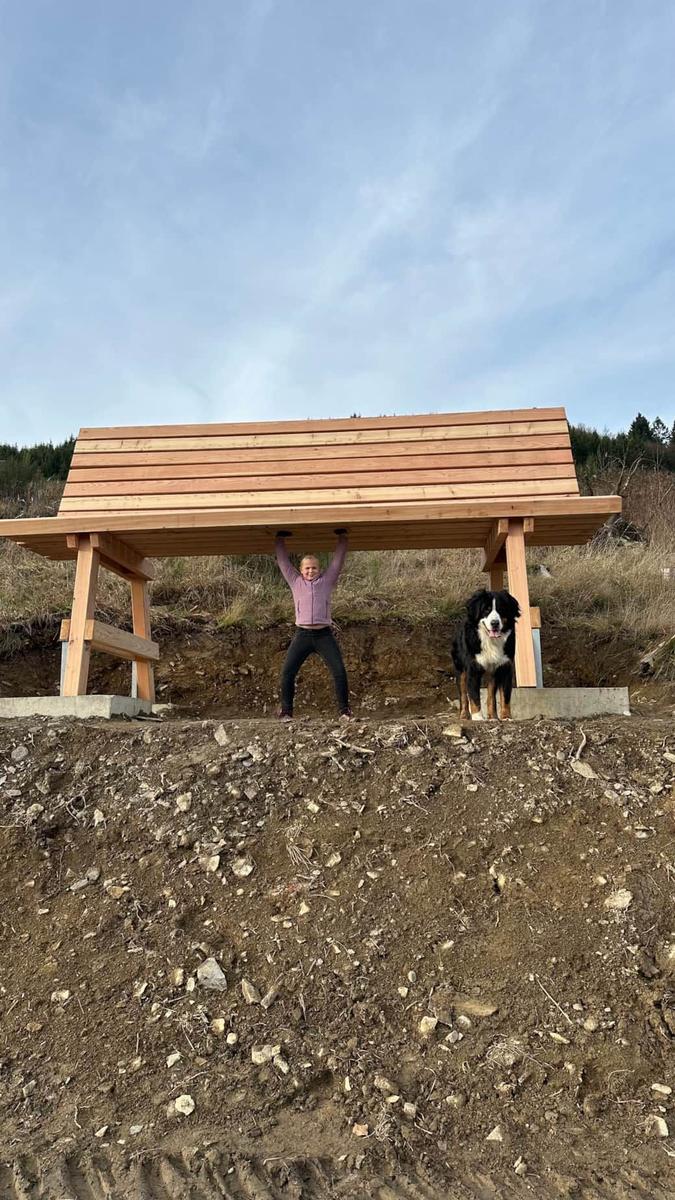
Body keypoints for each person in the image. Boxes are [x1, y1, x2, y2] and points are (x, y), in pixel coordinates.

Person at [274, 528, 351, 720]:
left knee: (339, 671)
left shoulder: (327, 581)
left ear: (320, 569)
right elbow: (283, 562)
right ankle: (286, 712)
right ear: (301, 570)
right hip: (303, 635)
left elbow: (337, 561)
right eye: (307, 568)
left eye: (314, 568)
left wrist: (342, 538)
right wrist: (279, 539)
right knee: (287, 672)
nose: (310, 571)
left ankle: (344, 712)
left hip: (324, 635)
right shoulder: (295, 581)